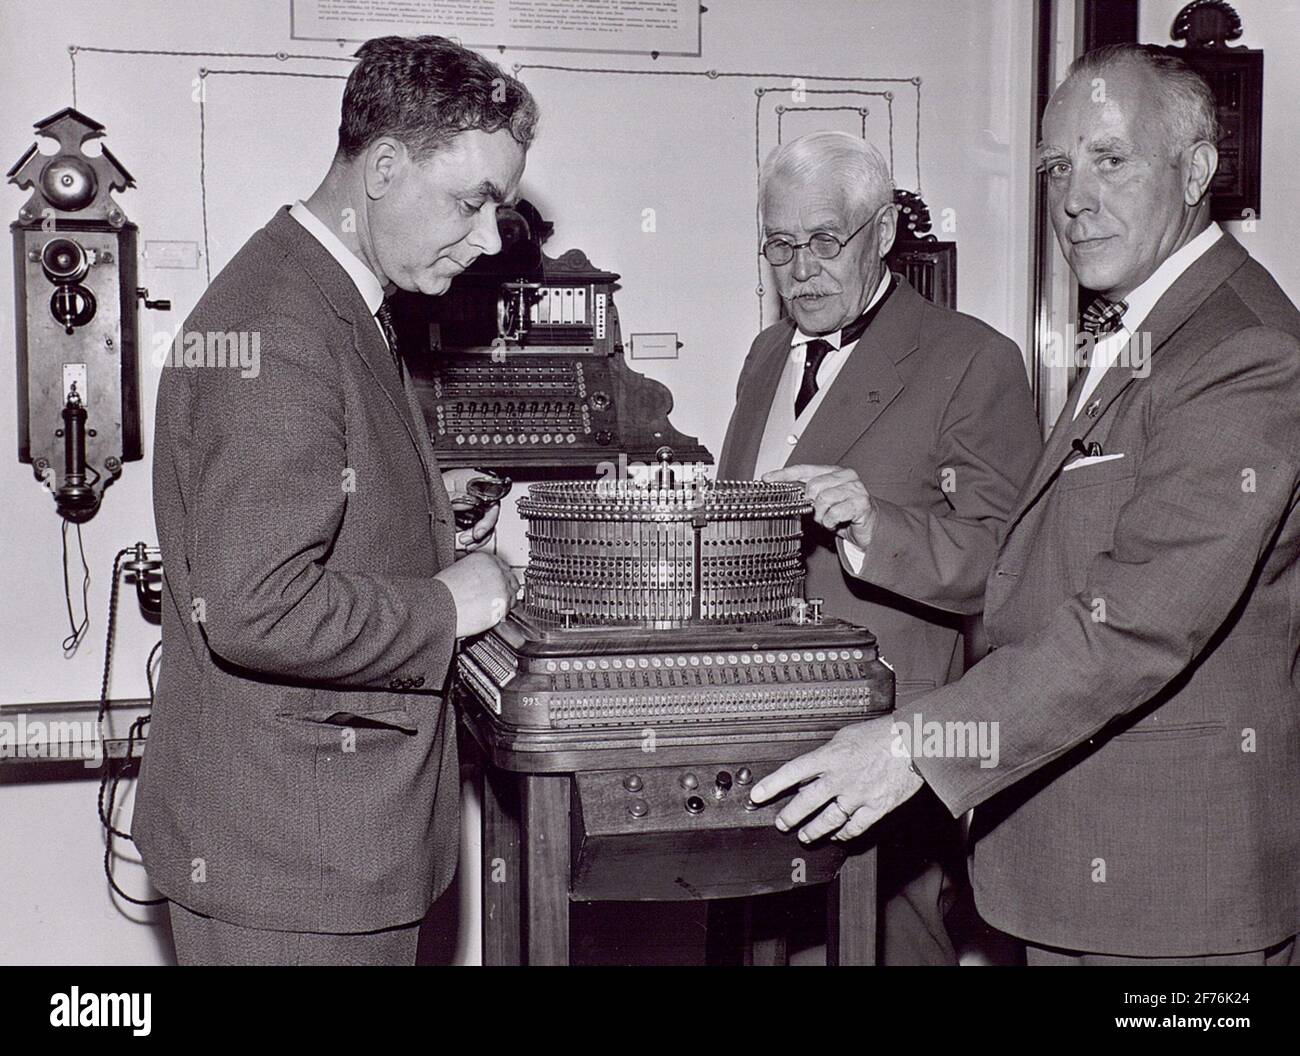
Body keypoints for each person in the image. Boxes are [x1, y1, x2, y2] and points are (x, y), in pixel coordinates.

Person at [753, 44, 1300, 965]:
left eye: (1110, 159)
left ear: (1198, 169)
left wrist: (915, 745)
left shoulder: (1241, 350)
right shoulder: (1147, 329)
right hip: (1075, 867)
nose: (1073, 197)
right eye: (1055, 167)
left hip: (1171, 892)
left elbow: (1138, 624)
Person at [134, 35, 537, 965]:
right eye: (473, 202)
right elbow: (255, 604)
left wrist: (420, 504)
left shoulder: (323, 295)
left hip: (320, 849)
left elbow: (300, 492)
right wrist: (449, 601)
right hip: (293, 871)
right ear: (385, 167)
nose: (487, 238)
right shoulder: (281, 324)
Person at [718, 131, 1040, 963]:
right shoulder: (766, 355)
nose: (801, 270)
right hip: (751, 725)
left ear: (886, 232)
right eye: (780, 246)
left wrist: (874, 528)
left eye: (826, 241)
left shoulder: (974, 359)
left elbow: (1008, 565)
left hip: (889, 743)